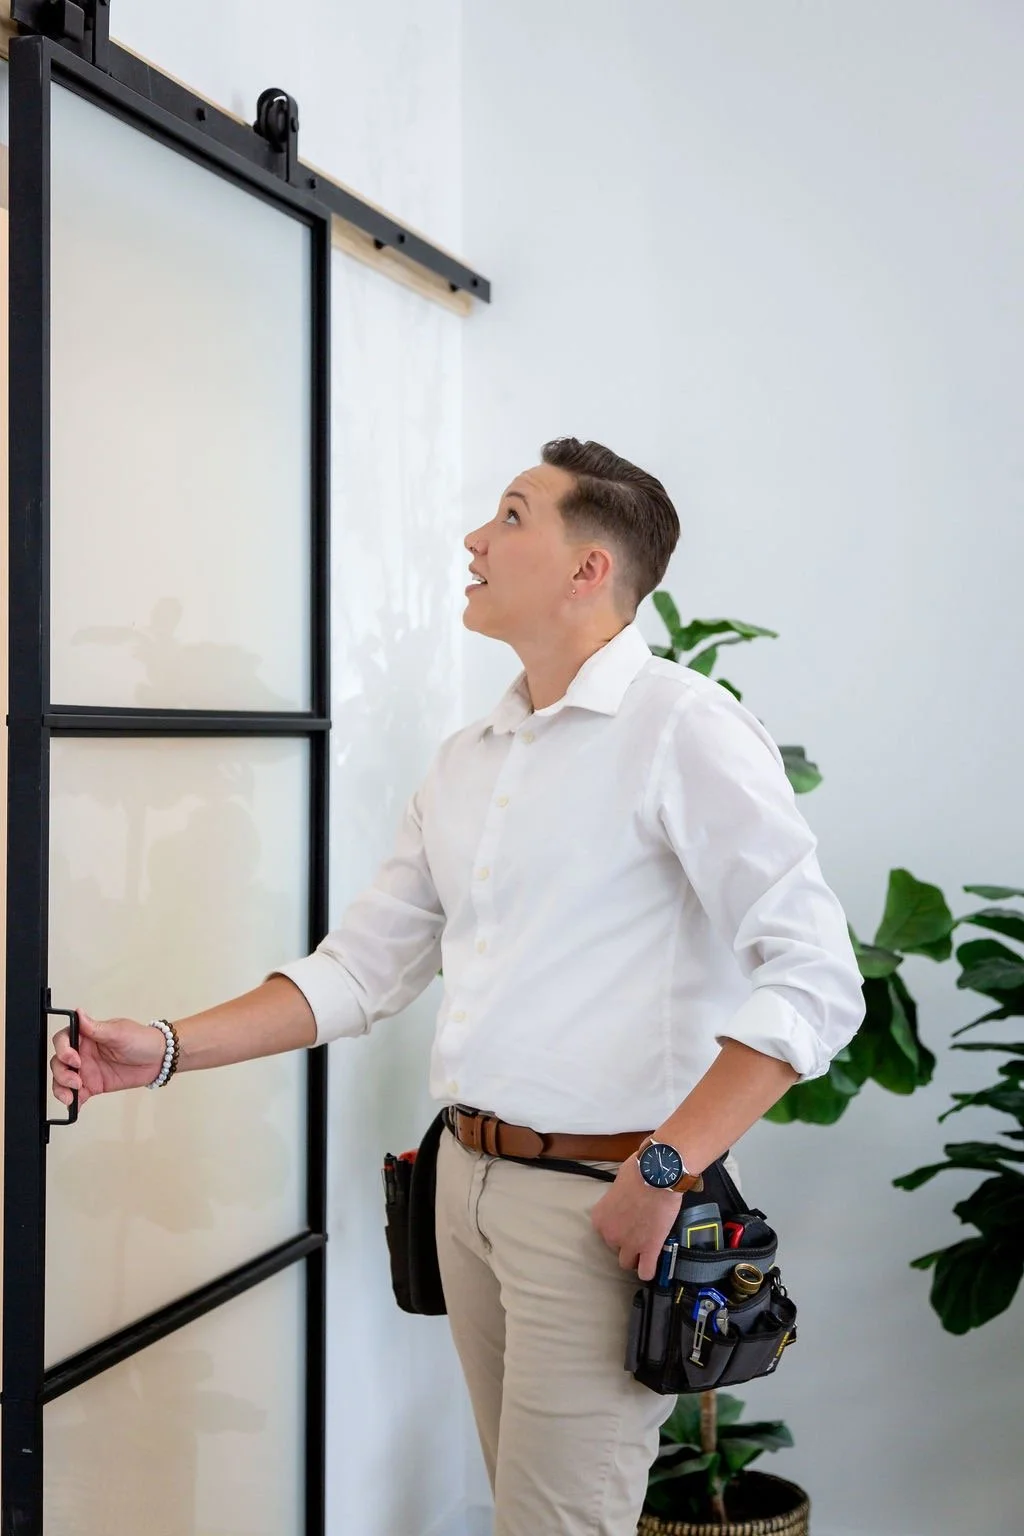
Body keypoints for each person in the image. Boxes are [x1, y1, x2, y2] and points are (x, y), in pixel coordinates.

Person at [51, 437, 866, 1536]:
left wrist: (664, 1169)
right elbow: (359, 970)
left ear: (590, 568)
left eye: (513, 516)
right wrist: (160, 1048)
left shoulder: (685, 728)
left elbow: (815, 977)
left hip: (601, 1203)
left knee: (556, 1525)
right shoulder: (470, 758)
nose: (475, 540)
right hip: (463, 1188)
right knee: (521, 1512)